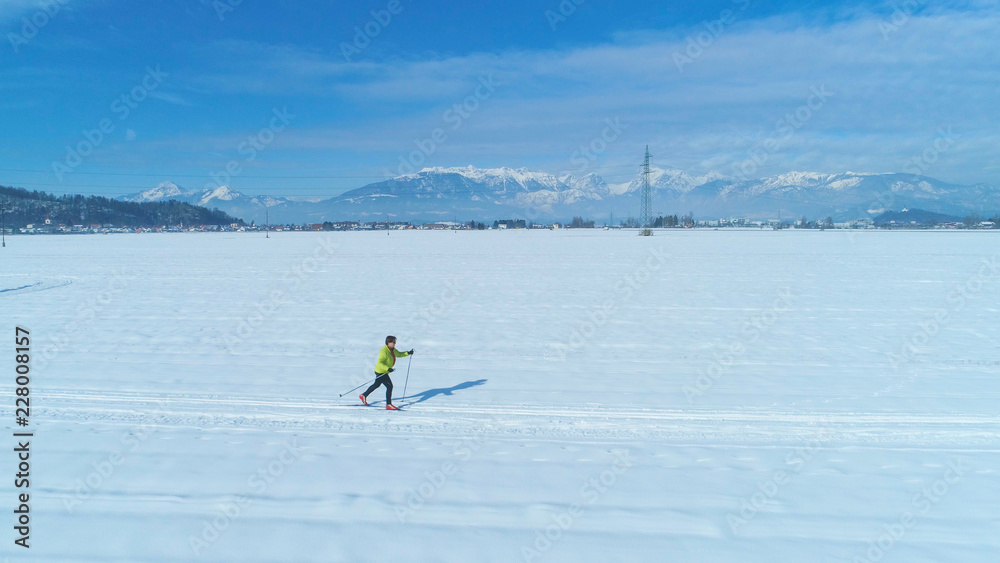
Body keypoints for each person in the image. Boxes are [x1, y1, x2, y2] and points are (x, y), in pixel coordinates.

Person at [360, 335, 413, 410]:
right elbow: (380, 363)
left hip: (384, 371)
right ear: (388, 342)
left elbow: (399, 354)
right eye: (394, 342)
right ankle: (388, 404)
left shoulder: (392, 349)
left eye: (395, 342)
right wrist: (388, 368)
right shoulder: (384, 351)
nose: (395, 343)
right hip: (381, 371)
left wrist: (408, 353)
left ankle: (364, 395)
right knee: (389, 386)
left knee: (377, 384)